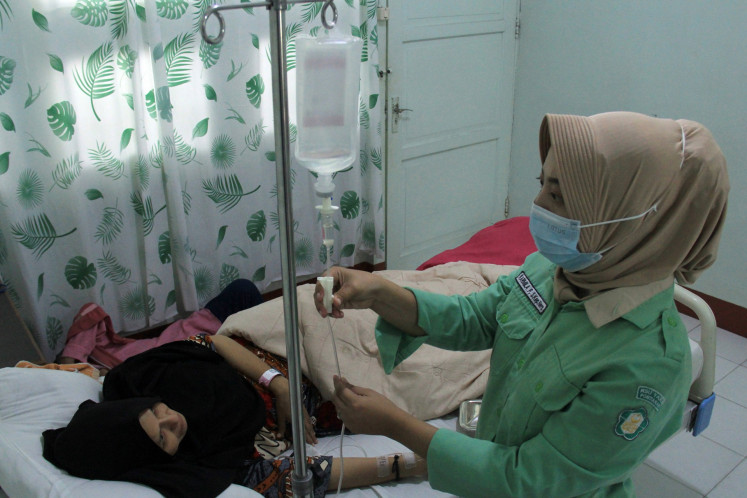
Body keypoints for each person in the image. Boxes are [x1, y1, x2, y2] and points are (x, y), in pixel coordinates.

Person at [314, 111, 729, 497]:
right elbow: (476, 317)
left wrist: (394, 424)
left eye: (560, 196)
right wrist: (380, 293)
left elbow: (528, 480)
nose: (539, 206)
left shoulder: (649, 366)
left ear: (633, 222)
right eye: (542, 182)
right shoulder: (553, 269)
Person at [43, 333, 427, 497]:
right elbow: (302, 479)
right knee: (411, 382)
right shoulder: (207, 465)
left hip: (271, 354)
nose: (173, 421)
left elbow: (214, 341)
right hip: (312, 400)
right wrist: (407, 465)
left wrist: (278, 384)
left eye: (158, 412)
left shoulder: (139, 376)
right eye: (163, 437)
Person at [58, 279, 264, 374]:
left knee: (243, 289)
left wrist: (70, 365)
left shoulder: (95, 351)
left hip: (193, 327)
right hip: (195, 355)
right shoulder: (113, 387)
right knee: (255, 346)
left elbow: (90, 310)